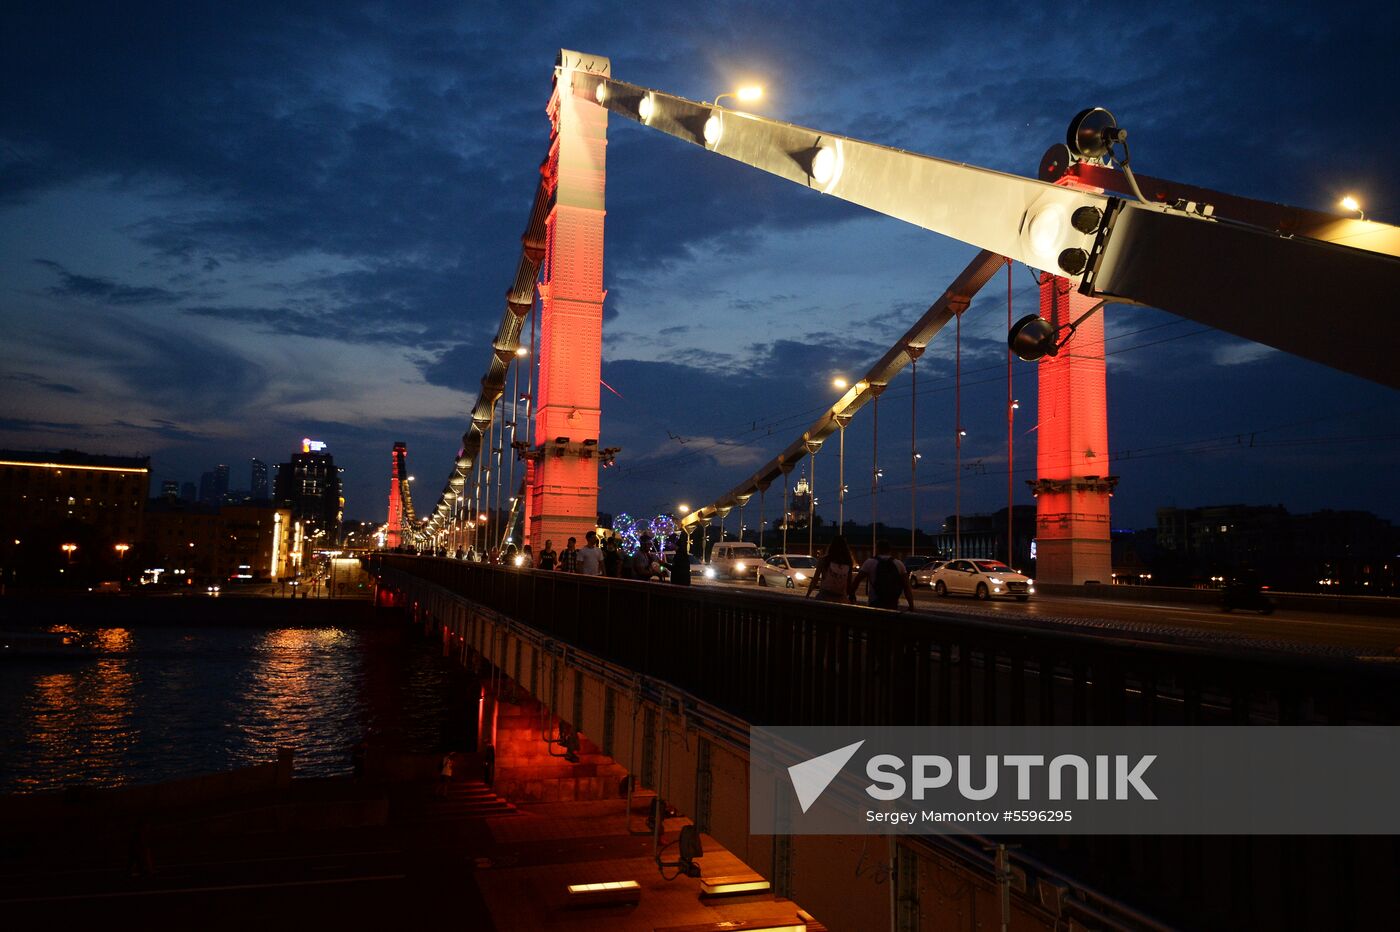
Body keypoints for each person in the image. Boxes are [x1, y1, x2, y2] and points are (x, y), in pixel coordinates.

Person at [851, 539, 916, 611]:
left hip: (875, 602)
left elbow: (857, 581)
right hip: (892, 603)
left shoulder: (870, 562)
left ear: (877, 549)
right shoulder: (899, 564)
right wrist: (911, 605)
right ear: (889, 550)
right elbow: (906, 587)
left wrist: (851, 595)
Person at [806, 534, 855, 603]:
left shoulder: (824, 560)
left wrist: (807, 595)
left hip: (824, 597)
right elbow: (849, 582)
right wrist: (851, 596)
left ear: (831, 546)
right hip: (841, 599)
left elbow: (815, 580)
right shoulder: (848, 562)